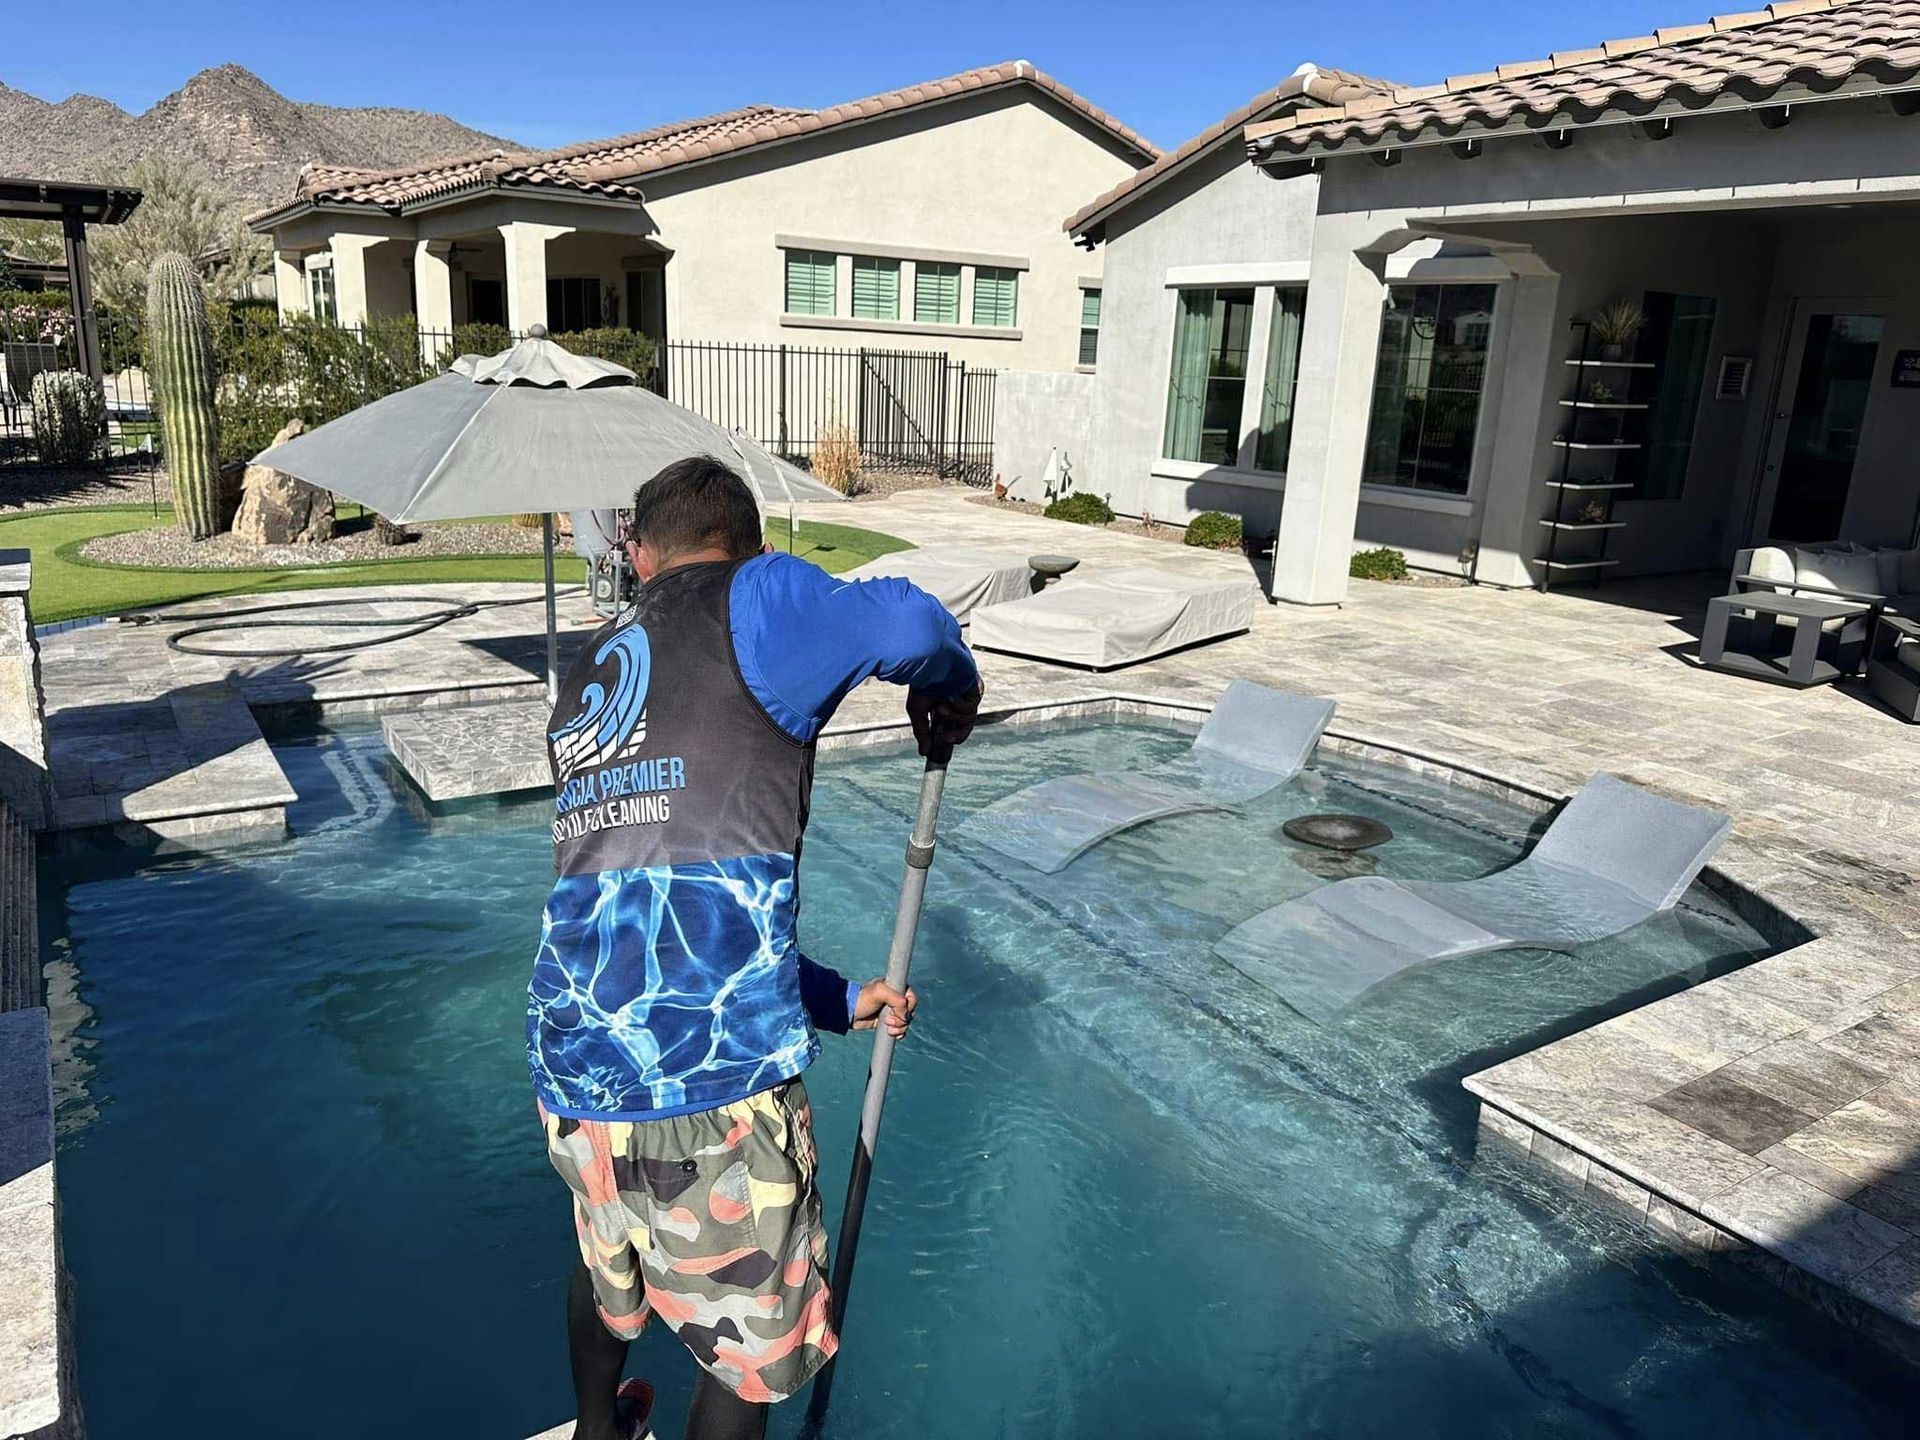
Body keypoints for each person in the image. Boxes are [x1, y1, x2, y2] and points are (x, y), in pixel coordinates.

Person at [530, 455, 983, 1440]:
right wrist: (954, 689)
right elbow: (914, 627)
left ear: (635, 552)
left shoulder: (588, 676)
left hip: (575, 1080)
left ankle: (596, 1433)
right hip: (711, 1089)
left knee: (612, 1270)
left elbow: (658, 907)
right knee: (746, 1354)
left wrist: (836, 998)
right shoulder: (758, 591)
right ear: (746, 545)